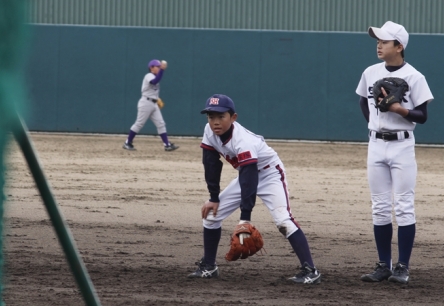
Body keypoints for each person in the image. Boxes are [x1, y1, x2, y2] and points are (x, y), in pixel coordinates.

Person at [189, 94, 321, 284]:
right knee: (211, 216)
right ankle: (209, 266)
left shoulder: (243, 140)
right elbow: (211, 164)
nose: (215, 122)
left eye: (221, 116)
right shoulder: (209, 131)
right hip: (246, 173)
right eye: (211, 117)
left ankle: (310, 271)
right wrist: (214, 197)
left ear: (233, 117)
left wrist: (245, 218)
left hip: (270, 174)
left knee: (283, 221)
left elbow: (249, 178)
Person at [355, 21, 434, 285]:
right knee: (379, 207)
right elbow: (363, 101)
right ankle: (383, 265)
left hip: (402, 146)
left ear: (399, 47)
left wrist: (399, 110)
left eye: (384, 42)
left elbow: (422, 116)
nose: (378, 45)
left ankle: (403, 267)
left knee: (403, 206)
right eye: (377, 41)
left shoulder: (415, 76)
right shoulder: (370, 72)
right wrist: (374, 123)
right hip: (375, 145)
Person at [123, 59, 179, 152]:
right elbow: (154, 81)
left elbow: (153, 87)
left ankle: (167, 145)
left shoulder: (155, 76)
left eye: (159, 67)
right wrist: (162, 70)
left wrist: (157, 98)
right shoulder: (148, 75)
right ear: (151, 68)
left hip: (153, 103)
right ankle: (127, 142)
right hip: (146, 103)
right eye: (157, 66)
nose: (159, 68)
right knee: (139, 123)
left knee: (161, 123)